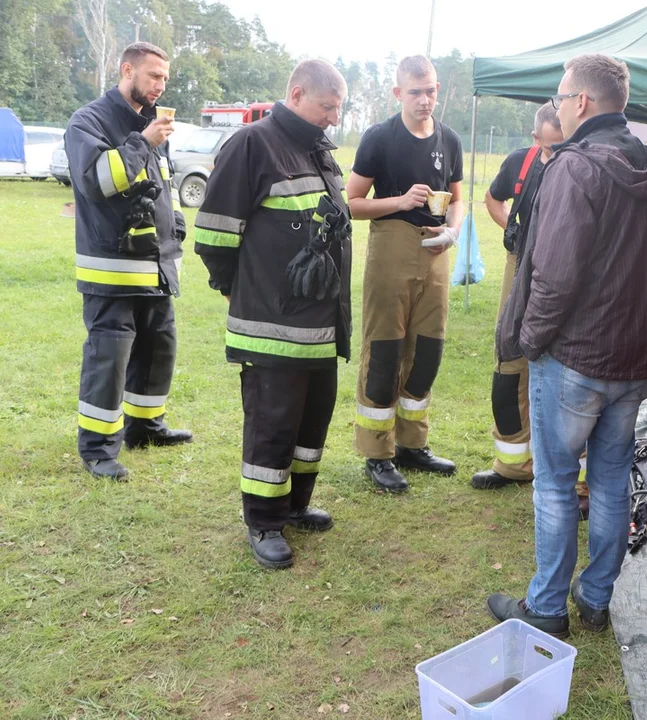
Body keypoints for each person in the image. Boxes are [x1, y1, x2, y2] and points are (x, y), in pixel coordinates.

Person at [486, 54, 647, 637]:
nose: (559, 108)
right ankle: (594, 599)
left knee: (557, 483)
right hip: (631, 357)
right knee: (613, 480)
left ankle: (546, 607)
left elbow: (555, 276)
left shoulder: (575, 166)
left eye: (562, 99)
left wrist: (531, 341)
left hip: (576, 357)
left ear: (582, 103)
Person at [192, 60, 351, 570]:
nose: (333, 118)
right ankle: (263, 521)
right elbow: (215, 236)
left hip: (321, 326)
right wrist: (240, 290)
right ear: (298, 93)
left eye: (338, 109)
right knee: (273, 424)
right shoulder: (252, 144)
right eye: (327, 106)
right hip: (272, 326)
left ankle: (295, 506)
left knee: (312, 420)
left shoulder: (318, 150)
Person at [65, 42, 192, 481]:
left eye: (165, 79)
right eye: (154, 76)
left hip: (155, 265)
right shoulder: (89, 121)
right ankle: (98, 450)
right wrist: (144, 141)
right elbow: (100, 181)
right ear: (127, 70)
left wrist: (174, 228)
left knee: (160, 347)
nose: (160, 85)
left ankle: (145, 427)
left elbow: (162, 185)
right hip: (111, 270)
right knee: (110, 357)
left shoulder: (152, 124)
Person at [346, 55, 463, 493]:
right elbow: (352, 202)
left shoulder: (449, 140)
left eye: (431, 90)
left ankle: (413, 444)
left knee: (428, 350)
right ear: (398, 93)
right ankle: (377, 453)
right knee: (385, 351)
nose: (425, 99)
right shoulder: (380, 137)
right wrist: (398, 200)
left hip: (435, 253)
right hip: (391, 247)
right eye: (415, 91)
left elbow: (457, 197)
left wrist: (452, 230)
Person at [471, 104, 563, 491]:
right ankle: (511, 461)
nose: (555, 152)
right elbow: (493, 198)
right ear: (535, 138)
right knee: (510, 354)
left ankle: (566, 477)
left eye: (563, 145)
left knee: (563, 362)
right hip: (519, 262)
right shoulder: (520, 163)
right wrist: (512, 229)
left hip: (563, 269)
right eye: (549, 145)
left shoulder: (579, 165)